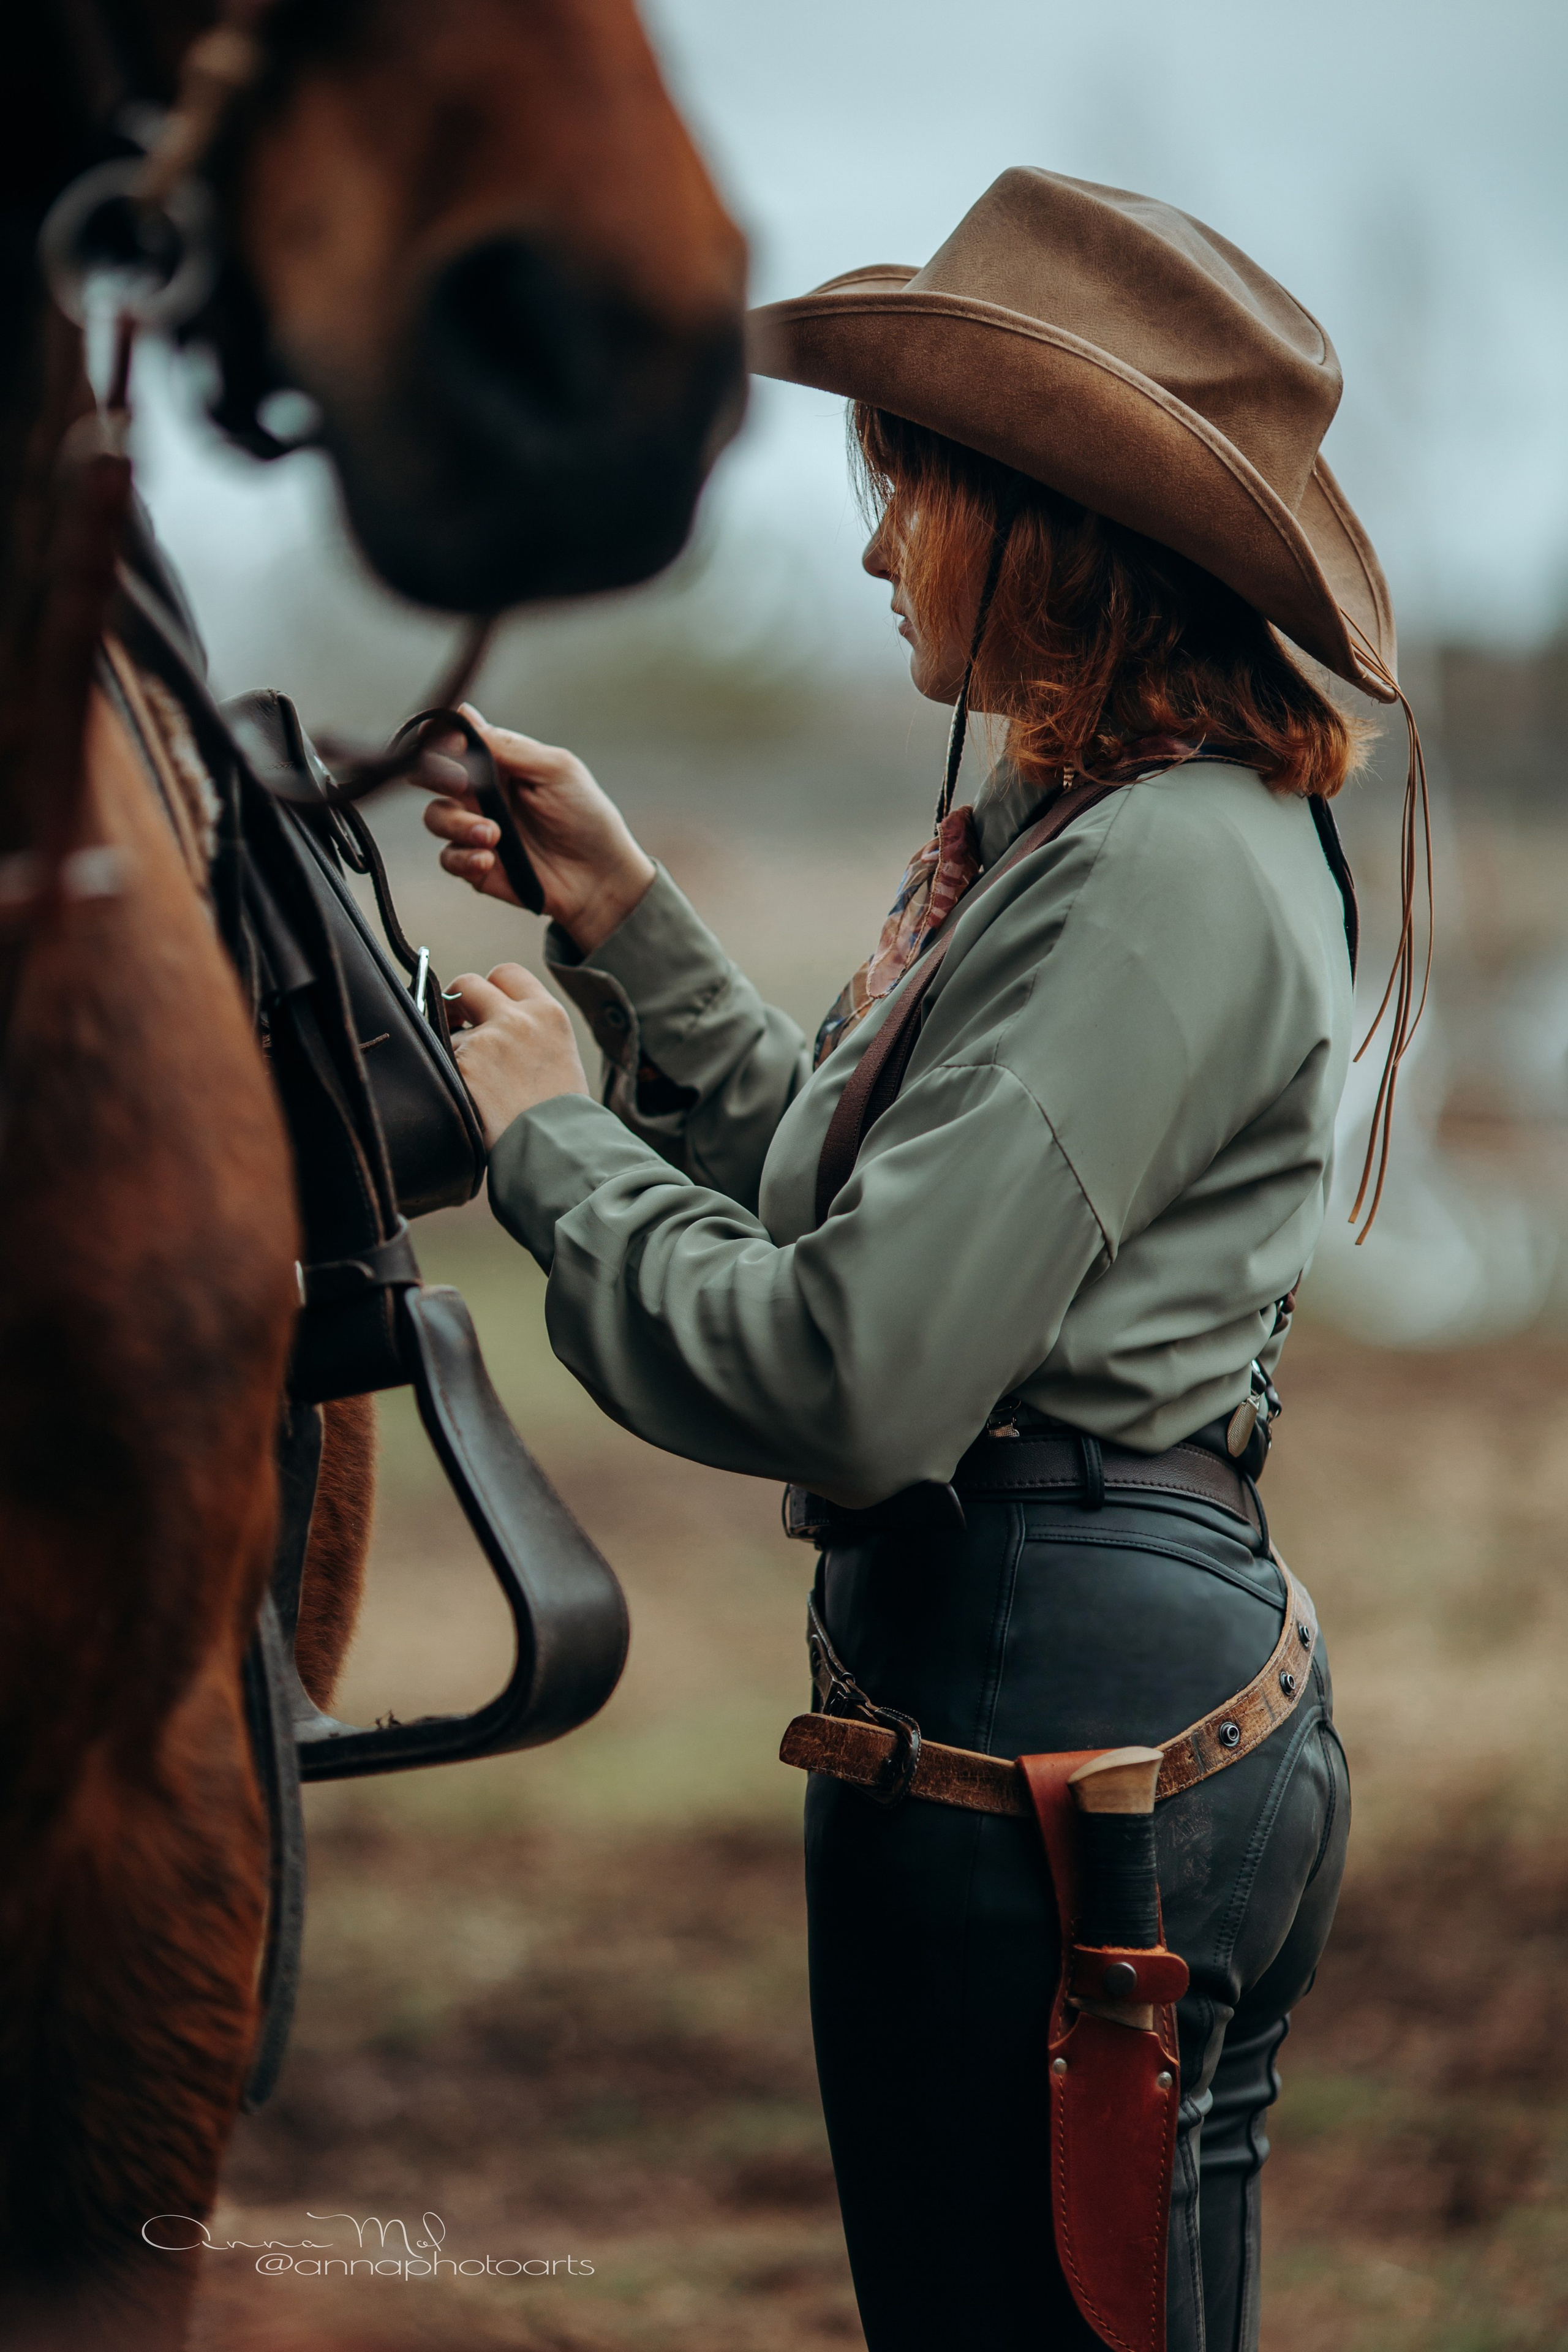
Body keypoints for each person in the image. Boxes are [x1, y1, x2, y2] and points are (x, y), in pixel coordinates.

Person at [423, 169, 1396, 2352]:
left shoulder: (1155, 877)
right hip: (1044, 1720)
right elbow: (868, 1203)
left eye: (910, 493)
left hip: (1059, 1758)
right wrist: (630, 923)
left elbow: (855, 1367)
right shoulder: (1106, 841)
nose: (874, 547)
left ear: (1043, 525)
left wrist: (549, 1145)